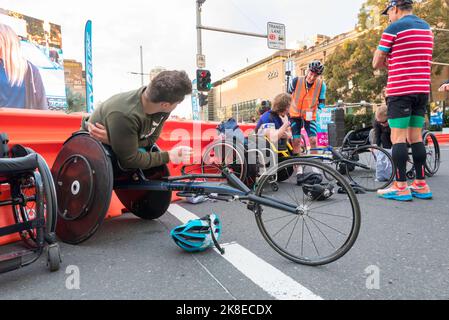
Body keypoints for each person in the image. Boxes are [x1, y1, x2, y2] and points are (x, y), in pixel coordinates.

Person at [373, 0, 433, 201]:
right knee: (415, 137)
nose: (388, 17)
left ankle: (400, 186)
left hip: (401, 90)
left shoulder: (394, 28)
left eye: (388, 13)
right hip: (422, 89)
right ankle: (421, 184)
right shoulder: (426, 28)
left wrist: (387, 59)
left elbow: (376, 62)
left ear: (395, 9)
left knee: (397, 138)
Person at [85, 70, 193, 170]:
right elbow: (130, 160)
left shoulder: (162, 108)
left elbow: (152, 139)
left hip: (117, 151)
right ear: (165, 105)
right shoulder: (125, 115)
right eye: (177, 104)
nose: (176, 106)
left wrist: (117, 143)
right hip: (91, 157)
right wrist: (169, 155)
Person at [0, 23, 47, 110]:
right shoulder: (30, 69)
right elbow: (42, 105)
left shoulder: (30, 70)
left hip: (22, 122)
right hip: (22, 122)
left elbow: (41, 105)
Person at [288, 60, 326, 155]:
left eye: (315, 76)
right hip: (294, 114)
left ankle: (315, 164)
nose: (312, 77)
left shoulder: (321, 85)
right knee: (296, 141)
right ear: (307, 71)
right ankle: (298, 166)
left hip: (309, 115)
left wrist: (318, 111)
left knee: (313, 140)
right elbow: (287, 97)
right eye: (311, 73)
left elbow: (322, 103)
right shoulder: (296, 81)